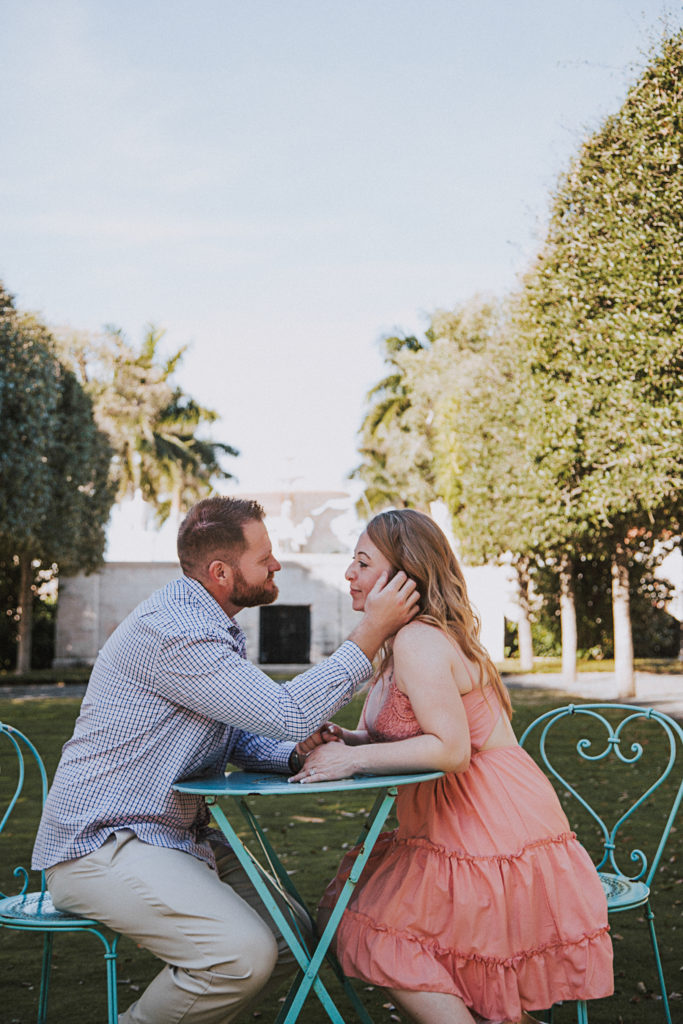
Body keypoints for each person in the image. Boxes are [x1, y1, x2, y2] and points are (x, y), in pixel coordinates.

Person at [32, 496, 419, 1024]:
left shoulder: (208, 623)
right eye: (265, 559)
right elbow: (284, 712)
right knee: (241, 956)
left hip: (176, 837)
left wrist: (293, 753)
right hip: (102, 842)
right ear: (221, 572)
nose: (278, 565)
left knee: (290, 942)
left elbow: (238, 735)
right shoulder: (176, 630)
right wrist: (370, 632)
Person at [290, 509, 614, 1024]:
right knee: (366, 925)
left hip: (488, 821)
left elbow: (450, 749)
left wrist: (352, 760)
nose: (348, 574)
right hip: (450, 819)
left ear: (404, 577)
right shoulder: (401, 643)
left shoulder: (419, 640)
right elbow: (409, 730)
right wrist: (346, 737)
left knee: (371, 929)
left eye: (362, 562)